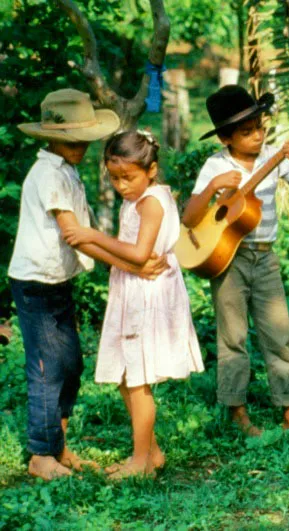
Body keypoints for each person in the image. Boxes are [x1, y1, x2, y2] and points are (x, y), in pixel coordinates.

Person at [11, 89, 167, 480]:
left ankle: (57, 446)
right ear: (49, 137)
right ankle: (40, 456)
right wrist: (133, 265)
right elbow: (76, 235)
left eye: (84, 139)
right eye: (70, 139)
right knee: (48, 368)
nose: (79, 146)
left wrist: (132, 265)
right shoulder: (48, 174)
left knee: (70, 364)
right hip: (36, 283)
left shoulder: (65, 170)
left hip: (56, 280)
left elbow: (87, 235)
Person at [182, 85, 289, 438]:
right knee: (233, 336)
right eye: (247, 132)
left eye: (260, 127)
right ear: (227, 138)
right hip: (228, 259)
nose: (258, 135)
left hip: (265, 257)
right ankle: (236, 412)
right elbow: (189, 217)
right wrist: (214, 185)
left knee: (279, 334)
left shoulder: (273, 157)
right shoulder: (216, 164)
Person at [62, 130, 204, 479]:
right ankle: (151, 453)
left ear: (151, 170)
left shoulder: (152, 201)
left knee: (138, 378)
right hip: (133, 287)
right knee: (127, 376)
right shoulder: (136, 200)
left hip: (149, 293)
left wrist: (93, 234)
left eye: (129, 177)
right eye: (114, 178)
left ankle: (140, 461)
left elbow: (141, 254)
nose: (121, 186)